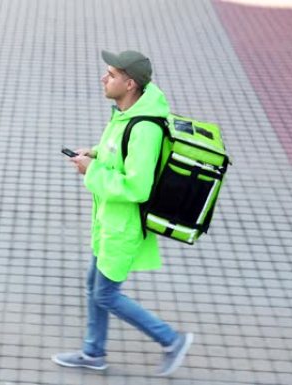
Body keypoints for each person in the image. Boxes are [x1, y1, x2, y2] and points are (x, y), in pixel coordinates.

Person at [52, 50, 193, 376]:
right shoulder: (127, 114)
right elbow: (119, 150)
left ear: (130, 83)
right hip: (108, 223)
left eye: (111, 74)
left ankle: (171, 340)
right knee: (94, 287)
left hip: (122, 228)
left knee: (106, 294)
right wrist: (95, 153)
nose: (104, 78)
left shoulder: (146, 128)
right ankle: (93, 352)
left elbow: (137, 187)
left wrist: (91, 172)